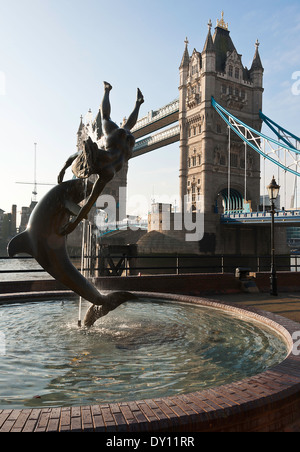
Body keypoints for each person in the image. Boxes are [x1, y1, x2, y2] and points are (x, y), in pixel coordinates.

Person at [58, 82, 144, 235]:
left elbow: (89, 202)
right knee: (107, 117)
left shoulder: (107, 173)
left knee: (126, 127)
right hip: (115, 140)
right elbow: (74, 156)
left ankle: (137, 104)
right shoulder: (96, 153)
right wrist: (63, 169)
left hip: (128, 145)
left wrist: (73, 223)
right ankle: (108, 91)